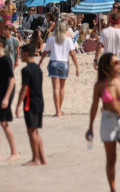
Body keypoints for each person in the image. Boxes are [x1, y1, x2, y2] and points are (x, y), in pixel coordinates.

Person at [87, 53, 120, 192]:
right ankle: (113, 189)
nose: (119, 64)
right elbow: (94, 106)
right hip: (108, 121)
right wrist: (90, 128)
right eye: (116, 62)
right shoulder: (100, 85)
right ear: (107, 67)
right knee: (111, 159)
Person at [14, 44, 46, 165]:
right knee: (35, 131)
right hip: (40, 102)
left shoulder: (26, 70)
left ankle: (35, 159)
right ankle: (42, 158)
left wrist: (17, 105)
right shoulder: (38, 69)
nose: (20, 56)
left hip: (30, 103)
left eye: (21, 54)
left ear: (26, 54)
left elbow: (24, 88)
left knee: (31, 131)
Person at [40, 21, 79, 117]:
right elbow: (73, 54)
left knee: (55, 88)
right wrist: (77, 67)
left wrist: (40, 62)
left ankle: (57, 111)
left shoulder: (51, 39)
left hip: (54, 62)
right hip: (64, 63)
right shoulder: (68, 39)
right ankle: (60, 109)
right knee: (62, 88)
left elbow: (45, 52)